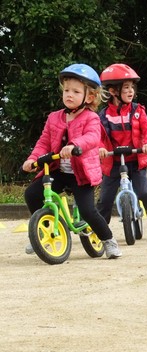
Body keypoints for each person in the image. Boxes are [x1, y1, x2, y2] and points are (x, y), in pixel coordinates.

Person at [22, 64, 122, 259]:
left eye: (76, 91)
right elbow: (43, 142)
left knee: (87, 210)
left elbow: (93, 137)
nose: (69, 94)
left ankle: (108, 240)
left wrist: (76, 145)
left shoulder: (91, 118)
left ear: (90, 97)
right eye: (66, 90)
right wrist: (32, 159)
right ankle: (42, 232)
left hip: (81, 173)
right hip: (57, 170)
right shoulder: (53, 118)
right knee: (32, 194)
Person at [96, 63, 147, 238]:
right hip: (113, 161)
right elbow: (97, 135)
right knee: (105, 200)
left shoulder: (137, 111)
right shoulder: (103, 115)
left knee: (144, 191)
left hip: (135, 159)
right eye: (126, 88)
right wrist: (100, 148)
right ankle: (99, 232)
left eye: (132, 88)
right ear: (113, 91)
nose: (131, 91)